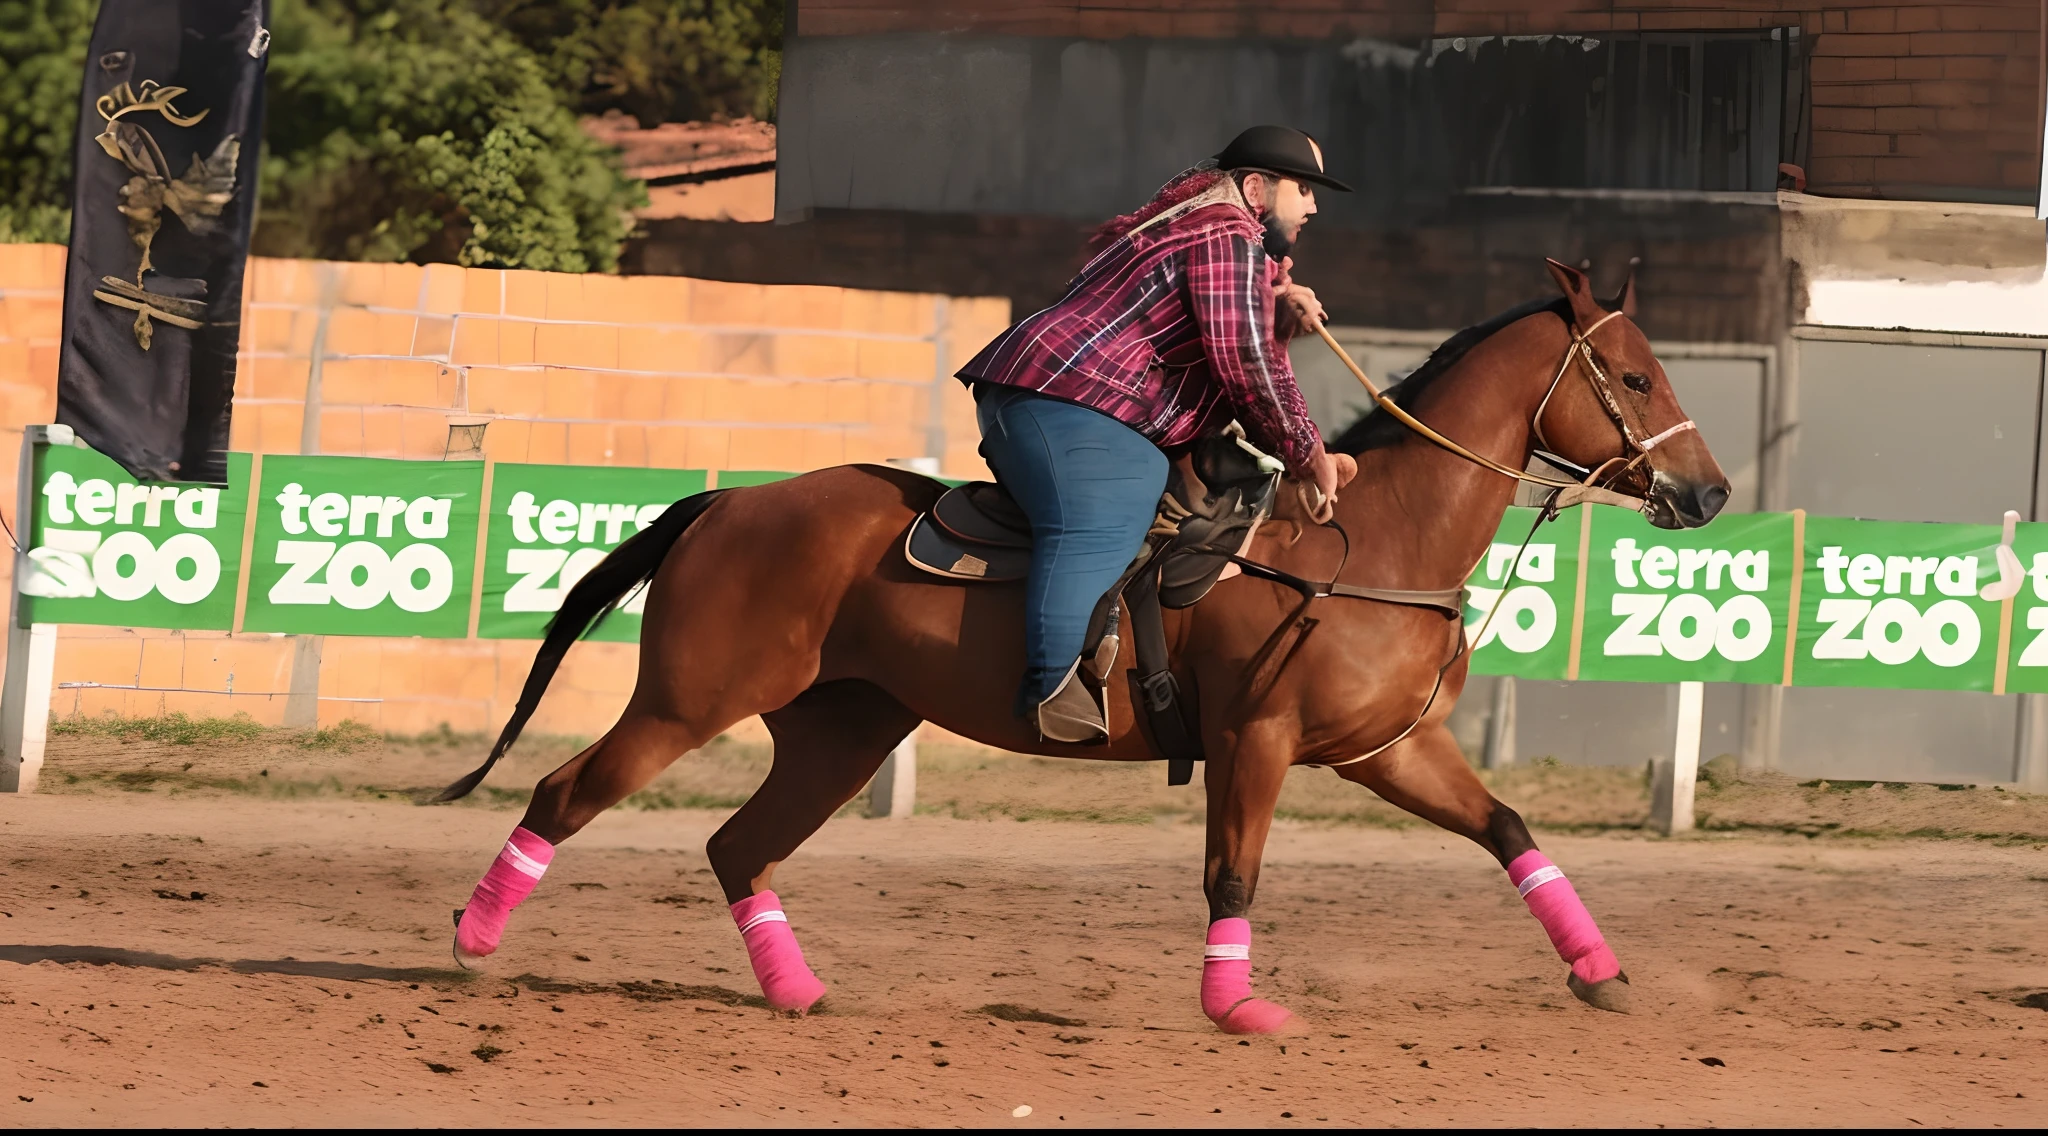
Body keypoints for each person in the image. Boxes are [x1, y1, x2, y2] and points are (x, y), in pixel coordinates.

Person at [956, 124, 1355, 743]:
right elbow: (1244, 364)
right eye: (1302, 189)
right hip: (1062, 395)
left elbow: (1252, 354)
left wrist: (1275, 312)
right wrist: (1307, 453)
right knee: (1124, 492)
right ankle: (1051, 686)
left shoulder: (1226, 241)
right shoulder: (1226, 237)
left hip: (1066, 394)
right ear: (1256, 187)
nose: (1313, 205)